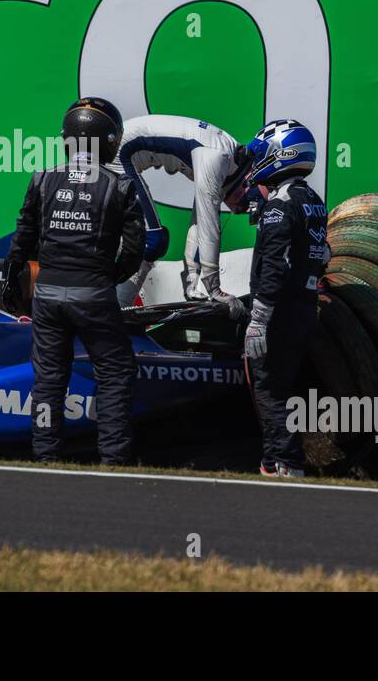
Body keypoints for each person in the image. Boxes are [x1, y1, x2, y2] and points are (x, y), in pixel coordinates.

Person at [1, 97, 146, 465]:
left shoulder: (43, 178)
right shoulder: (121, 186)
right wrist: (109, 277)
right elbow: (134, 249)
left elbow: (22, 238)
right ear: (108, 141)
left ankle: (46, 458)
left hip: (47, 296)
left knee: (48, 381)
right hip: (94, 294)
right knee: (115, 374)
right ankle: (113, 461)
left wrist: (12, 280)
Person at [242, 118, 328, 478]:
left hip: (280, 310)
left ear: (282, 154)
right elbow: (324, 255)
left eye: (262, 154)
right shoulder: (313, 199)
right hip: (305, 307)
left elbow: (274, 267)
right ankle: (274, 461)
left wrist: (259, 319)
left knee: (268, 388)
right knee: (281, 385)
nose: (255, 161)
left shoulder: (281, 204)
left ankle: (286, 463)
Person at [109, 114, 254, 312]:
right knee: (151, 241)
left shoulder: (226, 164)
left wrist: (192, 284)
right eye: (243, 203)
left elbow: (198, 225)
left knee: (150, 241)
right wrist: (215, 290)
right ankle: (113, 304)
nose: (238, 209)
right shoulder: (217, 158)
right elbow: (208, 228)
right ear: (247, 180)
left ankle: (113, 302)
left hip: (120, 147)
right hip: (116, 153)